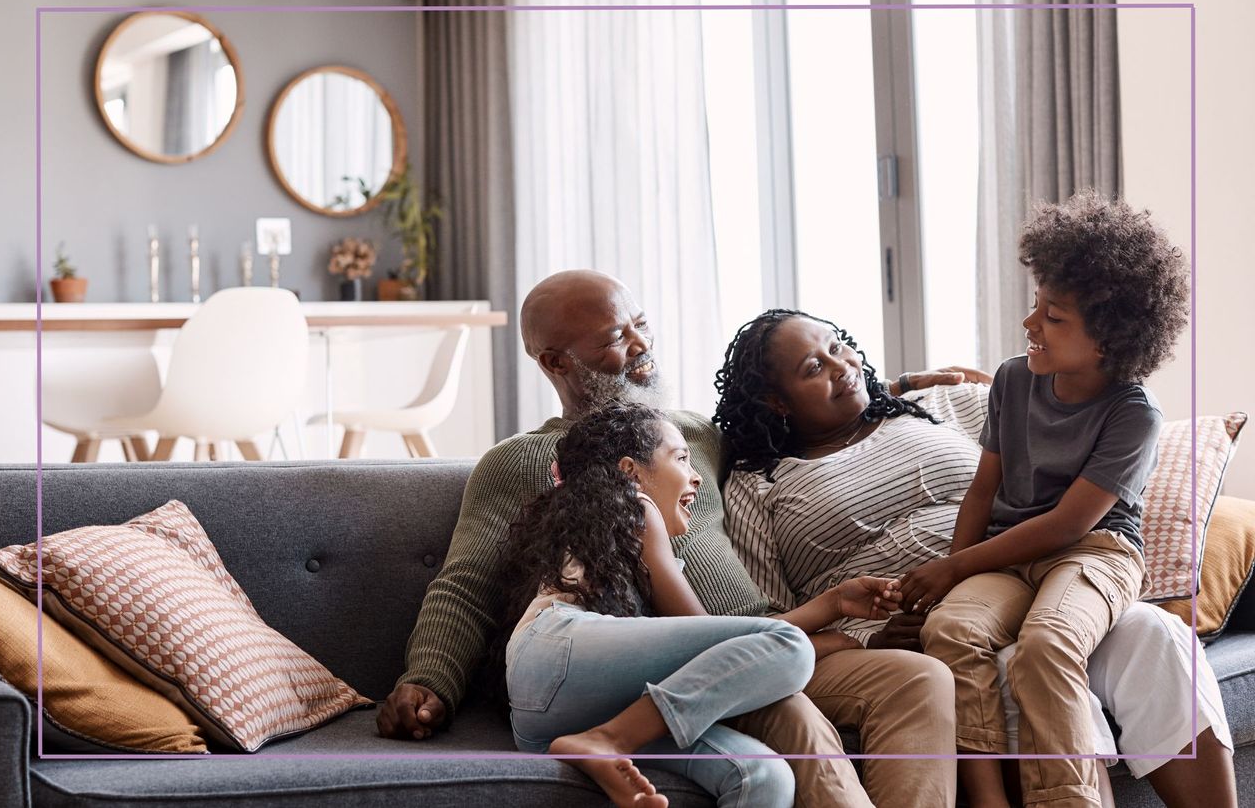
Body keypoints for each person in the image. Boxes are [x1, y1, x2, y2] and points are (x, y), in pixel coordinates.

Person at [379, 269, 965, 808]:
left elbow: (775, 406)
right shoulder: (518, 462)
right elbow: (464, 587)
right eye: (615, 337)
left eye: (642, 325)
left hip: (760, 638)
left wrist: (900, 386)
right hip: (659, 667)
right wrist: (428, 678)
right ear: (556, 362)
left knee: (918, 677)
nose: (641, 346)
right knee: (791, 710)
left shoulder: (693, 434)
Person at [714, 311, 1234, 804]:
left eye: (838, 346)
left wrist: (905, 385)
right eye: (814, 368)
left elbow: (1034, 398)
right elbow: (768, 628)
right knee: (1022, 673)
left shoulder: (937, 409)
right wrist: (866, 637)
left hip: (1037, 574)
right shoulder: (757, 483)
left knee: (1152, 633)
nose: (841, 366)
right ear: (775, 401)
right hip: (926, 624)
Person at [898, 193, 1191, 808]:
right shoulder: (1011, 379)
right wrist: (955, 579)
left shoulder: (1134, 414)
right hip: (1006, 556)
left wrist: (954, 566)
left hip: (1095, 552)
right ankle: (989, 799)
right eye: (1036, 305)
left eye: (1053, 317)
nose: (1031, 324)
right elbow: (984, 491)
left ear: (1110, 341)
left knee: (1046, 646)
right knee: (951, 630)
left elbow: (1067, 523)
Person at [500, 402, 904, 807]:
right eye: (680, 459)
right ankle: (607, 740)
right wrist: (832, 631)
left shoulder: (608, 540)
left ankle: (605, 737)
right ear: (630, 471)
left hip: (550, 718)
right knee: (790, 646)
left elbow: (726, 657)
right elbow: (715, 636)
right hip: (556, 649)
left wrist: (835, 605)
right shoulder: (638, 508)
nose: (695, 478)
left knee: (761, 774)